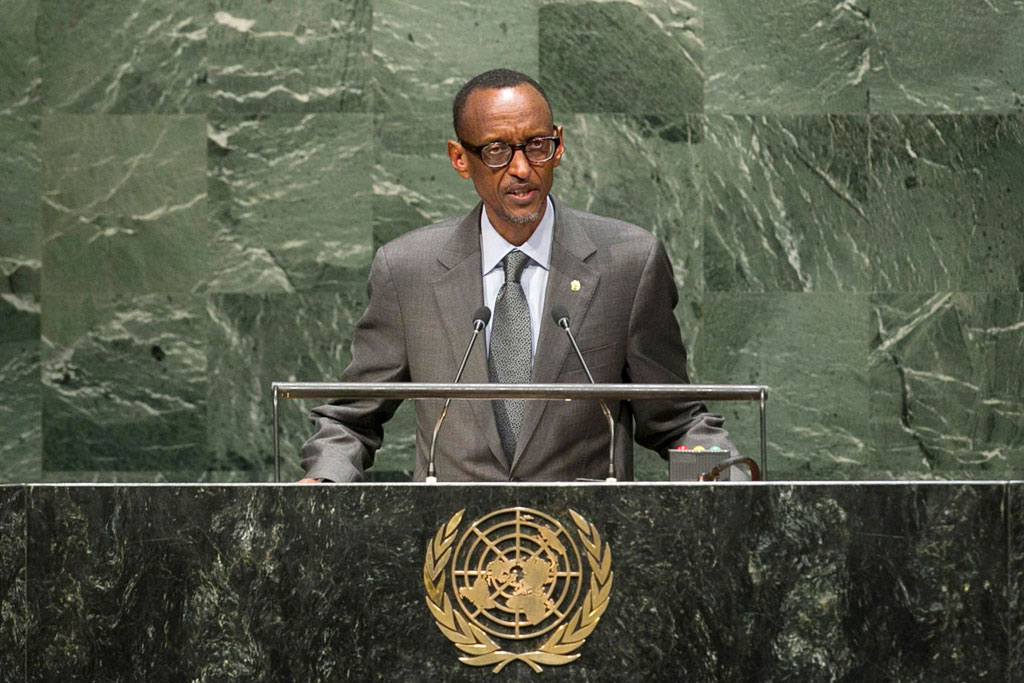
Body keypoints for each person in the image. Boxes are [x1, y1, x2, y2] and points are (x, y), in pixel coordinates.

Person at [299, 68, 735, 483]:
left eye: (536, 146)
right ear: (459, 158)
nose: (522, 168)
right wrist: (324, 480)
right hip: (455, 548)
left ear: (559, 145)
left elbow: (675, 419)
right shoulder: (408, 270)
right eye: (496, 150)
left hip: (585, 547)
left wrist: (726, 484)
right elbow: (352, 419)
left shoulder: (628, 263)